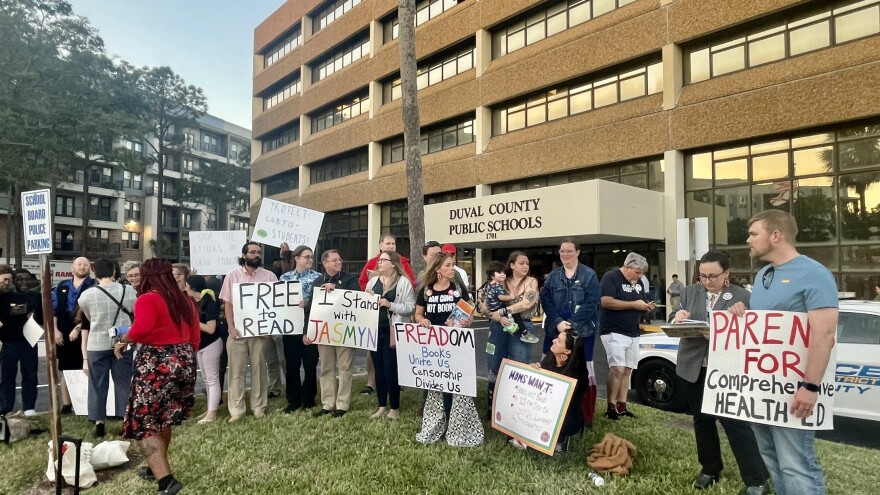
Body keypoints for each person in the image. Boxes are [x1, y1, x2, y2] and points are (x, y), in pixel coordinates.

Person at [733, 210, 838, 495]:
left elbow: (824, 335)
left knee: (796, 464)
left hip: (795, 391)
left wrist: (810, 385)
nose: (748, 240)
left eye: (754, 234)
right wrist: (742, 314)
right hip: (762, 390)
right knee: (772, 458)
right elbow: (764, 330)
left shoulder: (814, 274)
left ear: (775, 235)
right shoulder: (765, 274)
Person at [670, 250, 769, 494]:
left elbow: (754, 333)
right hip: (692, 367)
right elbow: (674, 318)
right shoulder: (689, 291)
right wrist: (678, 317)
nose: (706, 281)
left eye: (712, 276)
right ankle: (710, 468)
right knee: (702, 420)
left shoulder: (742, 296)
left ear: (726, 274)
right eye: (702, 276)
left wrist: (741, 317)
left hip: (726, 369)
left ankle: (756, 479)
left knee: (734, 423)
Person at [113, 259, 199, 495]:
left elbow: (142, 328)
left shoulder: (148, 298)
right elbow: (195, 337)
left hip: (156, 362)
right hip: (184, 358)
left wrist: (122, 341)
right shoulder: (186, 300)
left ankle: (166, 481)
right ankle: (155, 468)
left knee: (144, 421)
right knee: (164, 417)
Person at [414, 252, 483, 447]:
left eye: (453, 265)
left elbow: (469, 310)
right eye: (448, 265)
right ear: (438, 270)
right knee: (437, 387)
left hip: (456, 345)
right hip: (434, 347)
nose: (452, 268)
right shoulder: (426, 291)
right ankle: (437, 423)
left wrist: (468, 319)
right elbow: (417, 314)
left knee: (456, 385)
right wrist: (423, 320)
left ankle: (456, 425)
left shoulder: (458, 289)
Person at [540, 239, 601, 425]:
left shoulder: (589, 275)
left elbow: (592, 302)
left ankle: (584, 415)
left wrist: (573, 324)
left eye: (569, 251)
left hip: (582, 331)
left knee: (583, 371)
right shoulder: (553, 276)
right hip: (555, 330)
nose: (565, 255)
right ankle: (548, 409)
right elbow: (546, 299)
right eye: (562, 251)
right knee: (551, 365)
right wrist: (558, 322)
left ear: (578, 252)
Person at [220, 242, 278, 422]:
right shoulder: (232, 275)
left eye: (258, 252)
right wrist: (230, 327)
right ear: (244, 255)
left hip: (260, 334)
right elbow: (227, 304)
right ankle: (236, 410)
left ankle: (258, 407)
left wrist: (267, 328)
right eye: (252, 252)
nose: (256, 255)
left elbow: (276, 304)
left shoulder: (269, 276)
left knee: (259, 370)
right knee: (236, 372)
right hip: (237, 332)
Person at [78, 259, 136, 437]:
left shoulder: (86, 295)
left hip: (97, 343)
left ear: (95, 273)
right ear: (114, 271)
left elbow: (89, 317)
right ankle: (125, 419)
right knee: (123, 382)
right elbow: (135, 312)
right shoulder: (129, 291)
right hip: (122, 341)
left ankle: (99, 422)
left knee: (97, 384)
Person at [356, 234, 417, 395]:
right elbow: (362, 282)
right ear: (380, 245)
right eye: (388, 243)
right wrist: (369, 298)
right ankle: (371, 383)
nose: (391, 246)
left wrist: (393, 303)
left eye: (393, 243)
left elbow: (410, 285)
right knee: (374, 356)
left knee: (393, 358)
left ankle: (396, 385)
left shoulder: (403, 263)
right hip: (375, 322)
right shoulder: (371, 263)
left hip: (393, 322)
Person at [600, 252, 654, 420]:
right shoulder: (611, 277)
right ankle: (610, 406)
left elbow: (639, 302)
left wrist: (645, 306)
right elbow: (606, 301)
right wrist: (634, 304)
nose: (640, 276)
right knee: (617, 368)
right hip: (614, 330)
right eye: (637, 273)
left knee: (628, 369)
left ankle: (622, 406)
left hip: (633, 331)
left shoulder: (638, 283)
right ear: (627, 266)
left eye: (642, 273)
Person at [485, 252, 539, 416]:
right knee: (494, 364)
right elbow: (483, 301)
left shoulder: (531, 282)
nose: (525, 266)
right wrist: (491, 314)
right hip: (497, 326)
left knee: (519, 364)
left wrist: (503, 310)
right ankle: (493, 405)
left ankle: (516, 408)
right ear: (512, 265)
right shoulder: (500, 280)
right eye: (521, 263)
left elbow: (527, 303)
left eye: (527, 264)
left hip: (521, 325)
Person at [365, 251, 415, 420]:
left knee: (390, 368)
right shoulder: (372, 282)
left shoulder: (403, 283)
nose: (379, 262)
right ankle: (381, 405)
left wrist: (390, 304)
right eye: (379, 260)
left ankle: (394, 407)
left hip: (393, 331)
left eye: (383, 260)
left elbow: (410, 307)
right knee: (378, 369)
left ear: (393, 263)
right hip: (374, 329)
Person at [310, 249, 360, 418]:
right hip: (324, 333)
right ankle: (327, 403)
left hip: (344, 331)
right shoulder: (317, 282)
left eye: (340, 259)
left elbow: (356, 298)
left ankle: (342, 404)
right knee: (326, 367)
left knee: (345, 367)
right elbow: (311, 309)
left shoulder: (349, 279)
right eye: (334, 260)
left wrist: (336, 288)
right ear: (325, 263)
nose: (339, 262)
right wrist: (307, 331)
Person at [528, 329, 587, 453]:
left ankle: (561, 438)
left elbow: (567, 404)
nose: (554, 340)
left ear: (567, 351)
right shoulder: (548, 360)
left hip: (567, 416)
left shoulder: (577, 374)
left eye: (559, 341)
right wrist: (533, 370)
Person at [278, 245, 321, 412]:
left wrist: (308, 303)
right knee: (292, 365)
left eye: (311, 257)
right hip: (291, 328)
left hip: (310, 326)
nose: (310, 259)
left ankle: (309, 398)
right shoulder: (285, 277)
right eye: (306, 257)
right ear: (296, 258)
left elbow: (322, 301)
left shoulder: (318, 277)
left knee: (310, 365)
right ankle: (293, 400)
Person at [52, 256, 95, 414]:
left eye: (86, 264)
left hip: (85, 330)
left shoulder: (94, 286)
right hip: (63, 332)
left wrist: (78, 327)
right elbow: (54, 310)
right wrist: (55, 331)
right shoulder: (61, 286)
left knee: (85, 368)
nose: (82, 267)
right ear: (72, 268)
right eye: (79, 264)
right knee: (66, 369)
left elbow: (92, 311)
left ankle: (84, 403)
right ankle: (66, 404)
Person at [0, 264, 43, 418]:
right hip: (9, 341)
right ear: (14, 281)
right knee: (7, 377)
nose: (24, 282)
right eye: (20, 279)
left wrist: (33, 317)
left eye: (27, 279)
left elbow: (44, 318)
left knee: (30, 375)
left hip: (29, 341)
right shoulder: (4, 297)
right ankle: (6, 408)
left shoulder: (36, 297)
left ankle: (29, 407)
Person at [185, 275, 222, 424]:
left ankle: (212, 413)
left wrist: (193, 323)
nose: (185, 288)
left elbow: (211, 328)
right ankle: (209, 408)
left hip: (211, 344)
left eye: (187, 286)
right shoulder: (194, 302)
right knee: (207, 379)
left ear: (193, 288)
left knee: (212, 379)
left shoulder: (209, 302)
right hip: (200, 344)